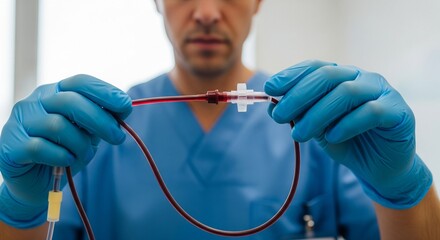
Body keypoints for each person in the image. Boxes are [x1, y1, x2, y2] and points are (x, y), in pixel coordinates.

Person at [1, 0, 439, 239]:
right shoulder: (99, 134)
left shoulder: (319, 125)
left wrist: (403, 190)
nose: (208, 11)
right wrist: (21, 211)